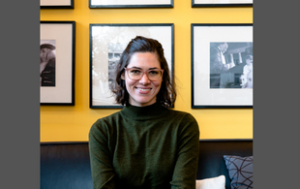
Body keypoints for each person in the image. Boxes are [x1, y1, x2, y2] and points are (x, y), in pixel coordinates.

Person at [89, 36, 200, 189]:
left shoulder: (183, 125)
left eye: (153, 72)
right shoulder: (103, 130)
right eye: (135, 71)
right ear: (123, 74)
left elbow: (183, 187)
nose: (145, 80)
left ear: (162, 76)